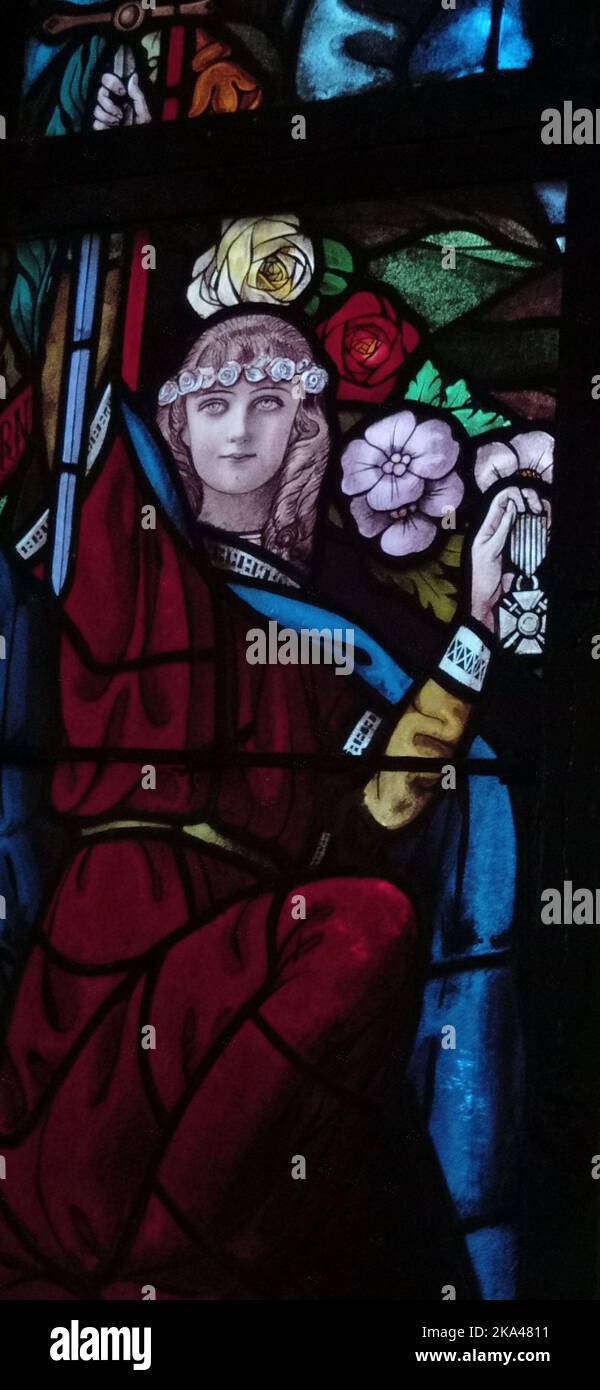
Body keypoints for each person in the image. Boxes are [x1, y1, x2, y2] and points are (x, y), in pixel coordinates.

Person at [0, 309, 540, 1299]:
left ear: (306, 429)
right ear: (176, 425)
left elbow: (381, 809)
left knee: (368, 931)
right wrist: (119, 193)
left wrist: (475, 625)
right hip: (110, 932)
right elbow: (71, 385)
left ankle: (184, 1272)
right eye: (212, 403)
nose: (240, 428)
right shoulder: (133, 539)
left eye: (269, 403)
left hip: (247, 952)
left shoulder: (332, 639)